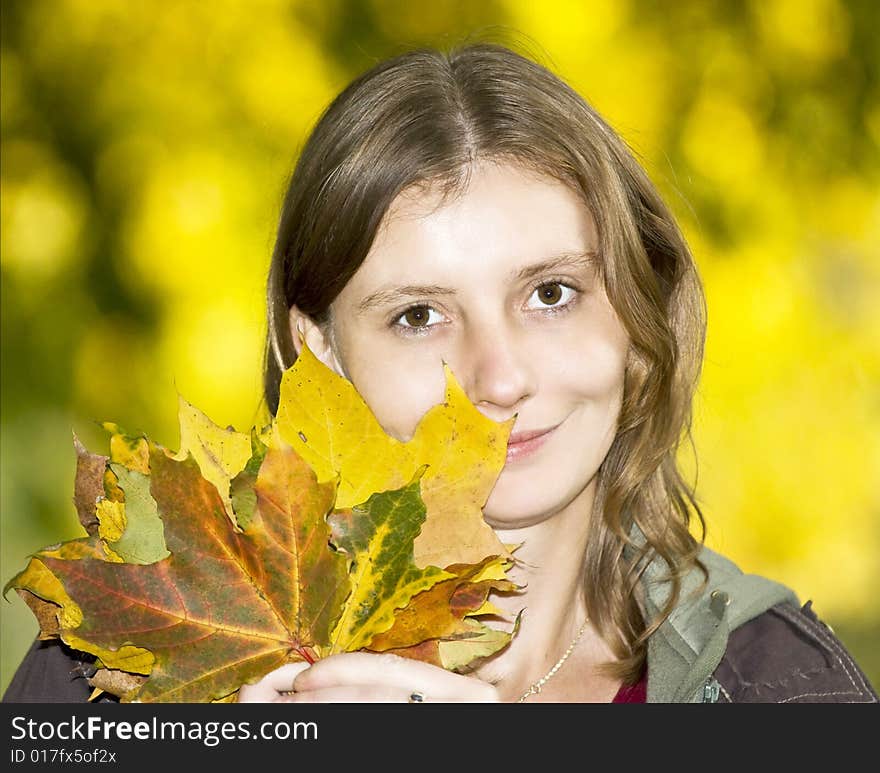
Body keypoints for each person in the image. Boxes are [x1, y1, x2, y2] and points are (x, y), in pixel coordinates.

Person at [3, 41, 876, 705]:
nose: (497, 379)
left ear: (638, 324)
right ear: (321, 353)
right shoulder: (129, 656)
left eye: (552, 292)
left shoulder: (787, 687)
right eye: (419, 316)